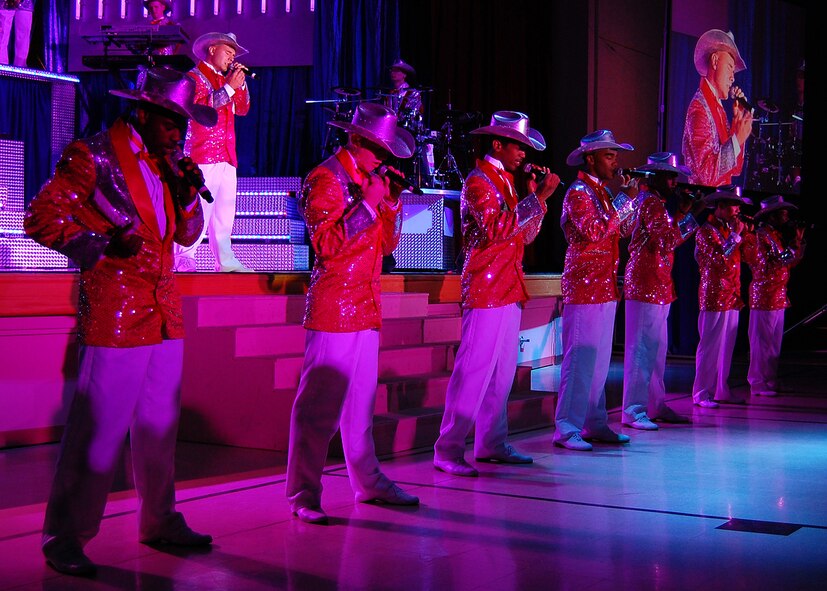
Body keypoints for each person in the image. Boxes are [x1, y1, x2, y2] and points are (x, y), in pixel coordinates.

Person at [23, 67, 217, 577]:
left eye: (184, 123)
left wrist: (189, 191)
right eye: (172, 121)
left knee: (158, 427)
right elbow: (40, 217)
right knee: (98, 431)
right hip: (114, 312)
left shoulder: (170, 166)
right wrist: (101, 244)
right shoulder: (94, 154)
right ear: (144, 112)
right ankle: (64, 536)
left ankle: (160, 520)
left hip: (163, 313)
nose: (180, 132)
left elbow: (189, 237)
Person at [286, 103, 420, 525]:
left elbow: (386, 248)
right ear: (357, 141)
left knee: (360, 406)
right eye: (379, 150)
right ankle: (303, 492)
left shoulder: (368, 182)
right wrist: (368, 203)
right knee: (318, 407)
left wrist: (390, 203)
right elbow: (325, 246)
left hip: (366, 303)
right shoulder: (325, 177)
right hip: (334, 305)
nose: (384, 160)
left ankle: (368, 481)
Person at [432, 111, 561, 477]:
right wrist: (539, 198)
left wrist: (535, 199)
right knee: (473, 370)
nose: (523, 153)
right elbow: (494, 230)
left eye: (524, 146)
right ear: (497, 144)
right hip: (486, 287)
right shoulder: (477, 181)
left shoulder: (506, 182)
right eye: (517, 146)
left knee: (502, 372)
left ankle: (490, 442)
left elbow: (526, 235)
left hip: (508, 285)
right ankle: (449, 447)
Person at [552, 130, 637, 451]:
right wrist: (625, 200)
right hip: (583, 287)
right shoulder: (577, 192)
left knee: (600, 360)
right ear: (591, 159)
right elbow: (596, 231)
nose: (616, 163)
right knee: (580, 359)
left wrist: (629, 199)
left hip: (604, 286)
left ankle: (595, 422)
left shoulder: (601, 193)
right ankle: (567, 427)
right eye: (610, 156)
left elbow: (624, 230)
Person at [621, 152, 706, 430]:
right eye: (668, 176)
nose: (673, 181)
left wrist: (682, 213)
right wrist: (690, 216)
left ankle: (654, 405)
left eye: (674, 176)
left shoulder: (657, 204)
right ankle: (634, 411)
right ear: (653, 177)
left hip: (657, 284)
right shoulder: (650, 203)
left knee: (656, 350)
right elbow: (666, 242)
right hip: (645, 282)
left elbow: (665, 239)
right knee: (642, 350)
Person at [173, 31, 253, 273]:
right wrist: (229, 87)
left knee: (224, 213)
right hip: (202, 153)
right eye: (227, 52)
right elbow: (199, 109)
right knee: (198, 209)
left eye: (233, 54)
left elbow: (243, 109)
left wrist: (239, 82)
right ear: (212, 49)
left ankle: (225, 260)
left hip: (227, 154)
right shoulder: (193, 78)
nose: (231, 57)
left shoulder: (225, 79)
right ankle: (185, 257)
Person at [690, 187, 755, 408]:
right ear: (719, 207)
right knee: (710, 346)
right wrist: (736, 236)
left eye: (738, 206)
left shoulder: (730, 231)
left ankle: (721, 389)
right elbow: (717, 261)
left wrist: (746, 235)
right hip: (714, 294)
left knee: (727, 345)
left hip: (732, 294)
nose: (737, 210)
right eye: (732, 206)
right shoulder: (706, 231)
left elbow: (749, 258)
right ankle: (701, 393)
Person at [744, 195, 805, 398]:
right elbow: (767, 264)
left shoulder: (775, 236)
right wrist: (791, 249)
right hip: (764, 295)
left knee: (773, 342)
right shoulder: (760, 236)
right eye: (782, 211)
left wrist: (797, 243)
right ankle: (758, 382)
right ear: (771, 216)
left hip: (777, 295)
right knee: (762, 341)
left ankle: (770, 380)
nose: (786, 214)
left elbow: (787, 263)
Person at [682, 29, 753, 188]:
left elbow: (735, 169)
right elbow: (706, 175)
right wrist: (737, 139)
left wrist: (737, 123)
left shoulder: (716, 107)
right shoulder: (699, 108)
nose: (733, 77)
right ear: (714, 61)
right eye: (729, 67)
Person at [0, 0, 34, 67]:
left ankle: (20, 68)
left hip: (26, 3)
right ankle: (2, 66)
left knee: (23, 37)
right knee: (2, 35)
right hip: (5, 2)